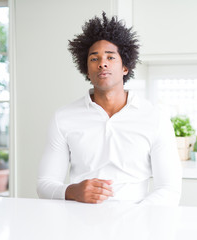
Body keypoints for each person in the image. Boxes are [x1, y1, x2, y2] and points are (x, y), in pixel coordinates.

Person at [37, 12, 182, 205]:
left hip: (136, 227)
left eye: (111, 57)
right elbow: (45, 185)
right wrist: (73, 191)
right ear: (86, 70)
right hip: (79, 226)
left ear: (125, 67)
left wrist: (134, 219)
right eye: (94, 58)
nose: (102, 63)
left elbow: (169, 189)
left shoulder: (155, 118)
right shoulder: (63, 118)